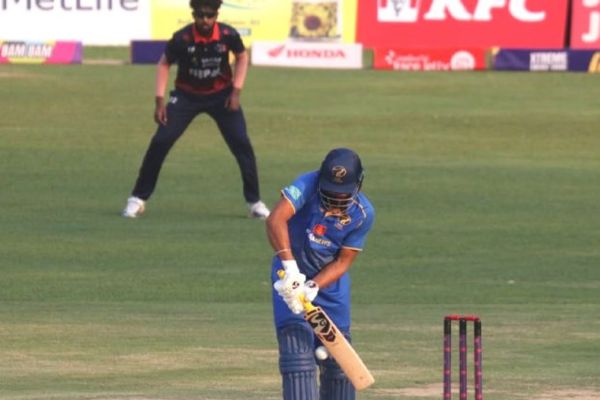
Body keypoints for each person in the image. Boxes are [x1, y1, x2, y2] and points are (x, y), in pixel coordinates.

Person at [122, 0, 270, 219]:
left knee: (242, 144)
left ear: (217, 15)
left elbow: (242, 57)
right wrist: (159, 101)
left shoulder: (228, 34)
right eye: (201, 15)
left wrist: (236, 92)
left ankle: (254, 202)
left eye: (210, 16)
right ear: (194, 15)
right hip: (186, 96)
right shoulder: (182, 38)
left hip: (222, 96)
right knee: (161, 141)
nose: (205, 20)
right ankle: (137, 199)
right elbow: (164, 63)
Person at [266, 148, 375, 400]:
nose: (336, 199)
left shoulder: (363, 213)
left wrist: (313, 286)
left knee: (338, 365)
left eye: (342, 193)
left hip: (330, 286)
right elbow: (275, 219)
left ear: (358, 184)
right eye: (330, 192)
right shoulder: (307, 184)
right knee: (298, 357)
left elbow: (343, 261)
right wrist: (291, 269)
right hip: (288, 276)